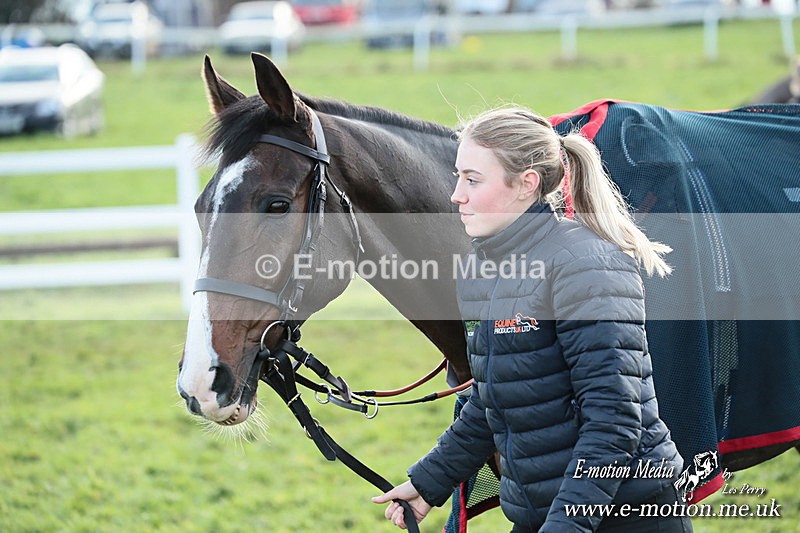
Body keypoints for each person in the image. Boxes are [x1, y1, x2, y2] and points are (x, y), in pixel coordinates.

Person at [372, 106, 692, 532]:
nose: (456, 195)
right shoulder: (480, 269)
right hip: (543, 515)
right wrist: (429, 482)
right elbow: (494, 398)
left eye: (472, 179)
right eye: (457, 177)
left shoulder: (585, 264)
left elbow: (614, 421)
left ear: (526, 184)